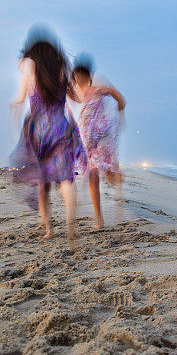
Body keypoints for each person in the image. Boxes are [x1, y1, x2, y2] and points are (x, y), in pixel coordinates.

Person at [10, 26, 86, 241]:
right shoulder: (62, 70)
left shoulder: (30, 69)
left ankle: (49, 230)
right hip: (60, 127)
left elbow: (20, 97)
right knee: (66, 180)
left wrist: (14, 109)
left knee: (42, 184)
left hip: (38, 131)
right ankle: (71, 226)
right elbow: (77, 98)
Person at [71, 56, 126, 229]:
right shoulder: (79, 93)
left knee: (109, 176)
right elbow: (71, 96)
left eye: (81, 77)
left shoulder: (99, 88)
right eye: (76, 78)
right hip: (88, 140)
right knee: (92, 177)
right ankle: (99, 219)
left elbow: (120, 99)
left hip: (103, 137)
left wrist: (120, 116)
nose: (78, 81)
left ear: (88, 76)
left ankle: (117, 176)